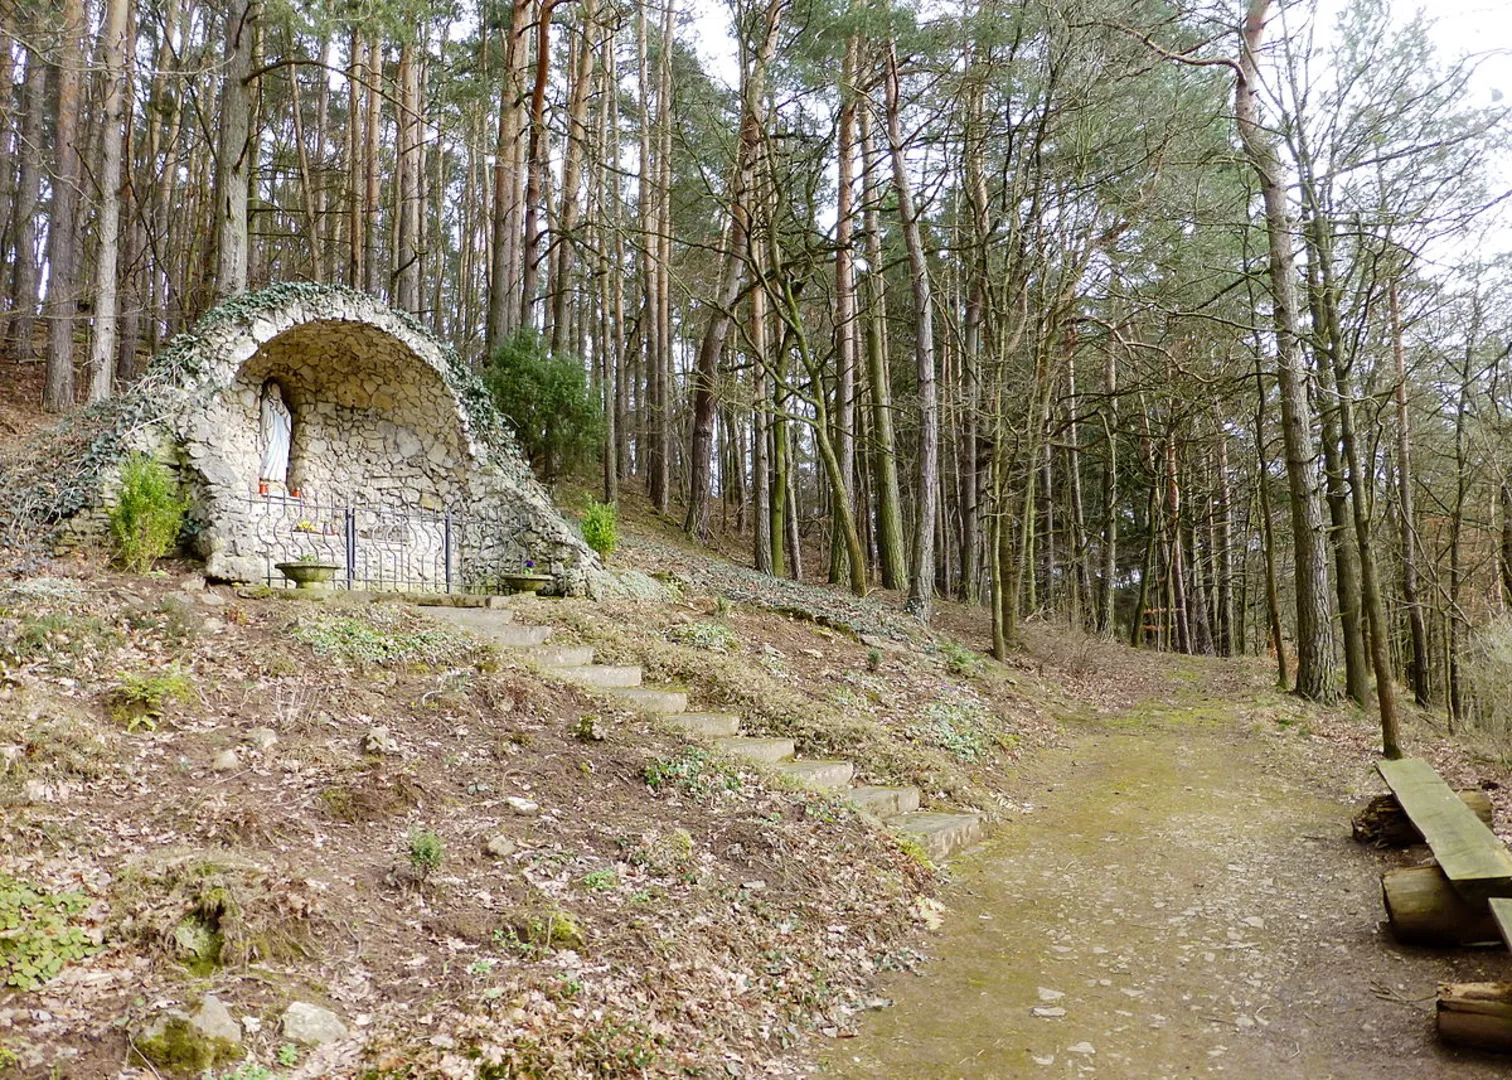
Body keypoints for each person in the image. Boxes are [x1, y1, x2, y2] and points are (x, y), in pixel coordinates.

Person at [259, 381, 292, 491]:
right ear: (270, 391)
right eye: (275, 390)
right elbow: (265, 417)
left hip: (281, 436)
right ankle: (267, 479)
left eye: (278, 390)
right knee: (270, 453)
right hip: (271, 434)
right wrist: (273, 408)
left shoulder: (282, 406)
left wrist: (281, 411)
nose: (277, 393)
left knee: (281, 456)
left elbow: (288, 418)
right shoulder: (266, 403)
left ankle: (278, 480)